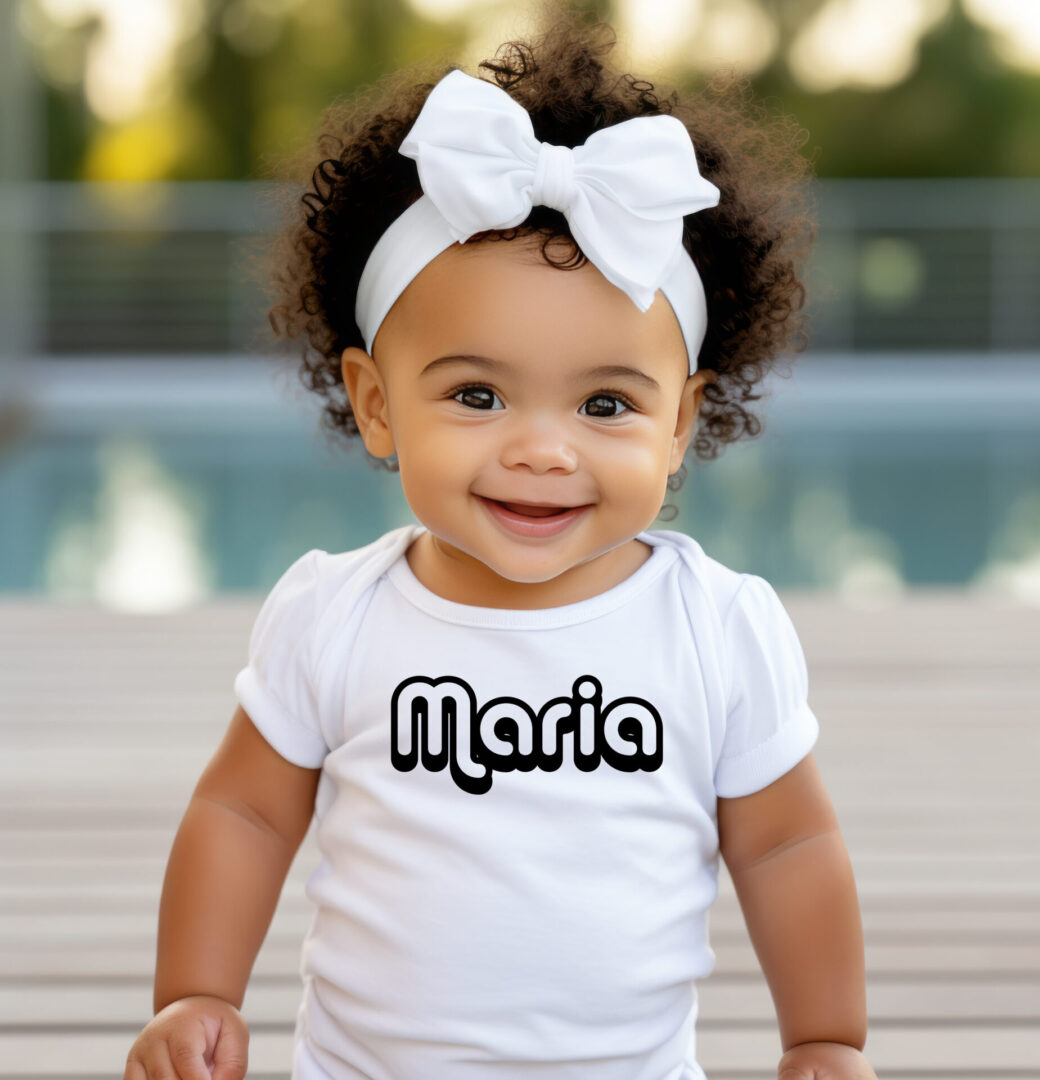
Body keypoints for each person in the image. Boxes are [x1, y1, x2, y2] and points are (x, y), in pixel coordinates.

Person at [124, 5, 876, 1079]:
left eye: (606, 405)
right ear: (376, 404)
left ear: (681, 421)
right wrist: (196, 991)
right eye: (477, 394)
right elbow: (244, 811)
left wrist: (824, 1038)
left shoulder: (714, 630)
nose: (541, 450)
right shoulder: (337, 616)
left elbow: (788, 844)